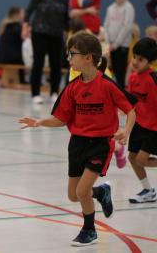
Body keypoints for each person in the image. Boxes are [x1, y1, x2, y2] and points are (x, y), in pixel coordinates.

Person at [19, 32, 137, 246]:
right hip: (77, 144)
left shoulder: (108, 85)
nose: (68, 59)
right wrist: (39, 122)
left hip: (100, 144)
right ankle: (101, 192)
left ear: (88, 58)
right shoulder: (72, 88)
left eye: (72, 54)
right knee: (74, 195)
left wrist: (126, 130)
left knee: (82, 191)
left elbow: (130, 111)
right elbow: (61, 118)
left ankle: (89, 230)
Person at [23, 0, 69, 104]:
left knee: (56, 63)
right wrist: (25, 26)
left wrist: (68, 33)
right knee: (38, 62)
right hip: (39, 32)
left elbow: (66, 18)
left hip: (57, 34)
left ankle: (54, 92)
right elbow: (29, 11)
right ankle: (35, 93)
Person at [127, 37, 157, 203]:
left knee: (141, 159)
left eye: (141, 59)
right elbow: (132, 103)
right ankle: (148, 190)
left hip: (154, 127)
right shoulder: (132, 78)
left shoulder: (153, 80)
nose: (136, 62)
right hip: (140, 125)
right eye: (134, 57)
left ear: (150, 62)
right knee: (132, 158)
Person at [104, 0, 134, 88]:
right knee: (108, 73)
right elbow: (106, 26)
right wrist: (108, 43)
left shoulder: (128, 8)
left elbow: (126, 27)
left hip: (121, 47)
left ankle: (121, 99)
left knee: (120, 75)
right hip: (110, 47)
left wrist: (116, 44)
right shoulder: (110, 8)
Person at [0, 6, 26, 84]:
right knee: (26, 59)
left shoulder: (6, 25)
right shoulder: (16, 27)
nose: (24, 15)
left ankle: (21, 80)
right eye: (23, 13)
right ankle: (22, 80)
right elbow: (24, 38)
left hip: (2, 57)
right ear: (18, 15)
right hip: (9, 58)